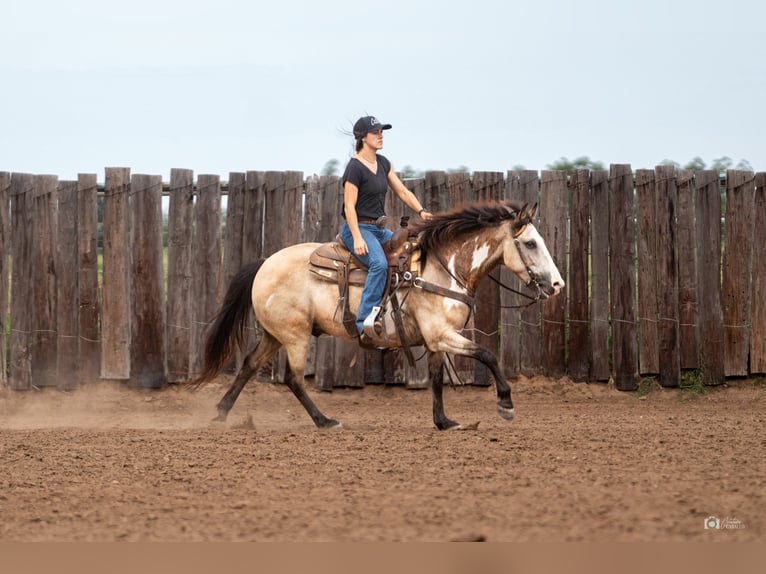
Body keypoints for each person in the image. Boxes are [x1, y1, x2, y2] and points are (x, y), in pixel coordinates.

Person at [340, 115, 431, 338]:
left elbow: (402, 191)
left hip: (379, 230)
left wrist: (421, 211)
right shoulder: (355, 167)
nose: (380, 136)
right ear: (362, 138)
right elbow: (349, 207)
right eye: (376, 132)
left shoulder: (383, 163)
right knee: (379, 264)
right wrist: (358, 238)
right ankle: (364, 324)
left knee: (409, 253)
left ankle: (399, 313)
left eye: (382, 132)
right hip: (358, 229)